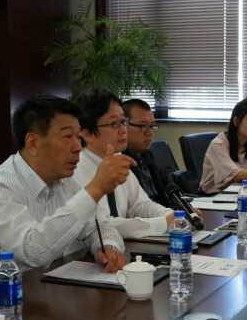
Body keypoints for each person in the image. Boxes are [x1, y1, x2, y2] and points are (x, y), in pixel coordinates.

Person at [0, 95, 131, 299]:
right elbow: (33, 251)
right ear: (33, 143)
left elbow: (97, 226)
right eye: (68, 137)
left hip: (30, 293)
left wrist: (107, 247)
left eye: (78, 137)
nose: (78, 146)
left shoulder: (64, 181)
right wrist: (96, 188)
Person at [73, 89, 173, 239]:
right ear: (87, 134)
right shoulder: (75, 170)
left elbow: (140, 205)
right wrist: (162, 223)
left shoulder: (118, 159)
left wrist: (171, 215)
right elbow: (101, 225)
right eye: (114, 124)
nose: (123, 130)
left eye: (123, 122)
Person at [122, 98, 172, 208]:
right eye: (142, 126)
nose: (149, 132)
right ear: (123, 125)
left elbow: (162, 199)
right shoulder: (120, 161)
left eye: (152, 126)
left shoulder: (147, 155)